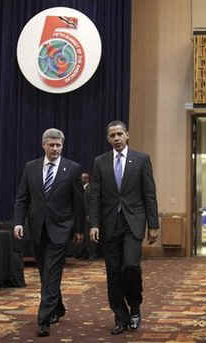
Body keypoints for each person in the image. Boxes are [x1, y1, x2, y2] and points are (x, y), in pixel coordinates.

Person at [89, 120, 159, 335]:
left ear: (127, 135)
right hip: (110, 225)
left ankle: (135, 307)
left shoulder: (141, 159)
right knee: (113, 273)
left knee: (130, 266)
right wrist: (94, 224)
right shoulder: (100, 162)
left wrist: (153, 224)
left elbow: (149, 193)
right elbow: (95, 196)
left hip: (133, 223)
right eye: (112, 135)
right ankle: (120, 316)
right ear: (108, 139)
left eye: (120, 134)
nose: (117, 138)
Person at [13, 128, 84, 337]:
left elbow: (78, 203)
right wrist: (18, 222)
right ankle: (58, 307)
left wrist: (79, 229)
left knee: (52, 272)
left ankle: (44, 319)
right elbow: (22, 198)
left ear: (62, 146)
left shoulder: (72, 168)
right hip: (37, 229)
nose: (55, 149)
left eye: (58, 145)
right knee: (46, 273)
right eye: (51, 145)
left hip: (61, 229)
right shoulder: (30, 167)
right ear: (43, 145)